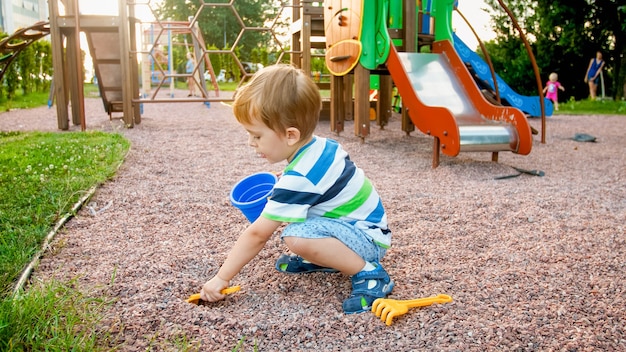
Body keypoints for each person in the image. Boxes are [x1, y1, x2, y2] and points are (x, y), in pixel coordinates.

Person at [199, 64, 394, 314]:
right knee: (301, 231)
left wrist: (221, 278)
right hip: (362, 229)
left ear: (291, 135)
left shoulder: (301, 177)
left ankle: (371, 274)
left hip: (367, 241)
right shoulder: (320, 146)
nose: (250, 143)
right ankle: (329, 259)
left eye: (256, 136)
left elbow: (258, 234)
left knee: (296, 236)